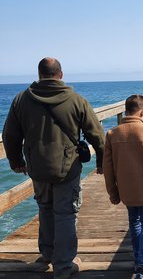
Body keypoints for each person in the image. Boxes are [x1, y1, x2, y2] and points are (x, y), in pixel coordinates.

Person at [2, 57, 105, 279]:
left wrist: (16, 161)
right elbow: (96, 134)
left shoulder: (21, 100)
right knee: (66, 214)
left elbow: (9, 135)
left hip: (37, 168)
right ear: (61, 74)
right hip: (67, 168)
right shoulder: (76, 100)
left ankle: (48, 254)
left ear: (39, 74)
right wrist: (102, 161)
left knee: (45, 208)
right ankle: (64, 265)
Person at [103, 94, 143, 279]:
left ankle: (138, 260)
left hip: (126, 191)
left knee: (134, 221)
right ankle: (141, 265)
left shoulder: (112, 134)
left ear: (126, 111)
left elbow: (108, 169)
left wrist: (113, 193)